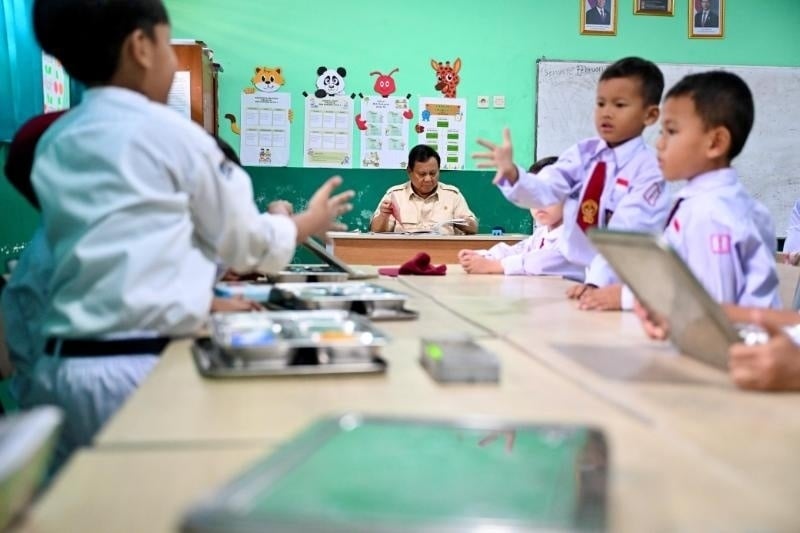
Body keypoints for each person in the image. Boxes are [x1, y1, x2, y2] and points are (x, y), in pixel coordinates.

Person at [26, 0, 353, 471]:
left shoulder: (59, 138)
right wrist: (306, 222)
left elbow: (132, 251)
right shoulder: (174, 136)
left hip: (59, 369)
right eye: (166, 42)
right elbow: (244, 242)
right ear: (141, 47)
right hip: (134, 369)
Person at [473, 57, 669, 303]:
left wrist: (599, 283)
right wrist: (514, 175)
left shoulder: (650, 168)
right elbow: (546, 189)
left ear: (650, 116)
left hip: (635, 285)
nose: (606, 112)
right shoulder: (585, 153)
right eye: (600, 103)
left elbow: (627, 234)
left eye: (619, 105)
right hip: (594, 278)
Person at [457, 157, 584, 280]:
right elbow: (517, 250)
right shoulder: (542, 232)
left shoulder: (577, 233)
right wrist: (484, 256)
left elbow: (543, 262)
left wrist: (493, 265)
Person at [370, 144, 478, 235]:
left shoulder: (452, 195)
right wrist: (383, 216)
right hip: (404, 254)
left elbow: (473, 229)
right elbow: (376, 231)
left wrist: (463, 222)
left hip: (442, 254)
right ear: (409, 171)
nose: (428, 179)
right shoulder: (395, 195)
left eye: (433, 173)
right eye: (422, 174)